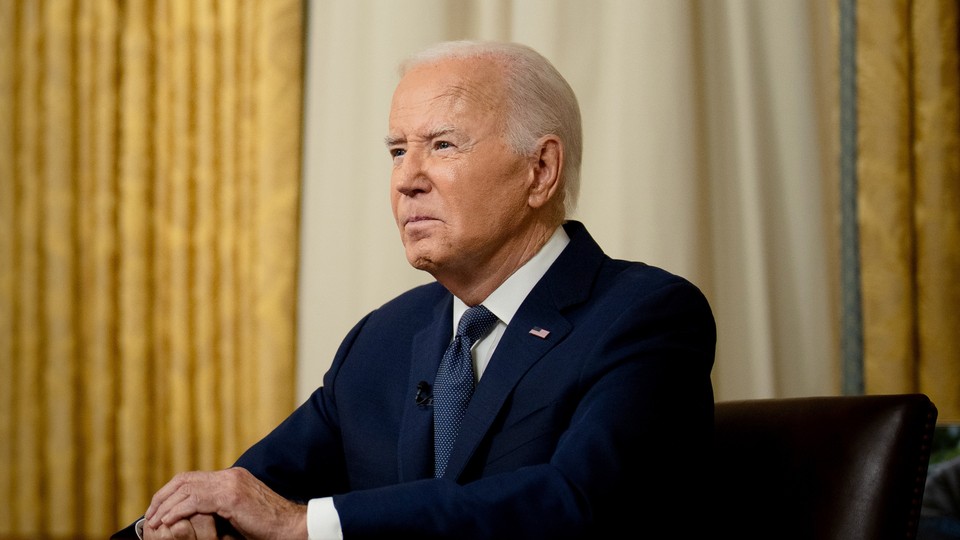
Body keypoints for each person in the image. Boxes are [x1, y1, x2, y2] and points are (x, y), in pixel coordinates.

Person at [113, 39, 716, 539]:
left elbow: (575, 503)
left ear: (541, 171)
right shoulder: (384, 337)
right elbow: (251, 493)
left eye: (442, 145)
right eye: (398, 151)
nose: (406, 179)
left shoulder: (646, 316)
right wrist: (177, 525)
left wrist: (305, 525)